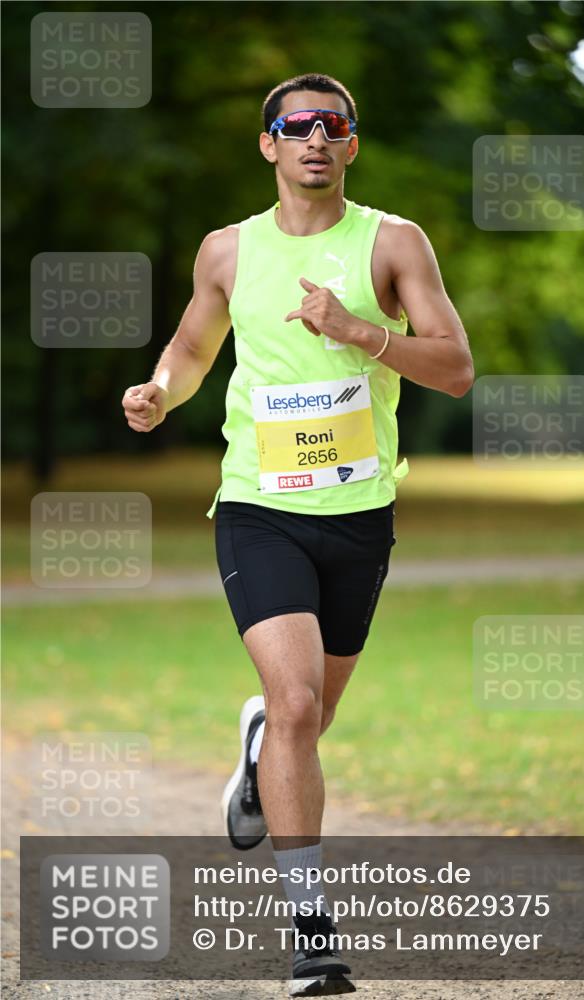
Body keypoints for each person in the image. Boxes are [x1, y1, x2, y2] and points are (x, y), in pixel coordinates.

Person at [122, 72, 473, 997]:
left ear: (351, 145)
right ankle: (310, 933)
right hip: (257, 507)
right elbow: (194, 346)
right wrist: (162, 388)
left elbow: (456, 369)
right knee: (299, 708)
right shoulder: (227, 252)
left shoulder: (393, 243)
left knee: (305, 719)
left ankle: (256, 748)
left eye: (334, 125)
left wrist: (358, 330)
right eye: (295, 125)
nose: (315, 138)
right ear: (269, 144)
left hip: (358, 517)